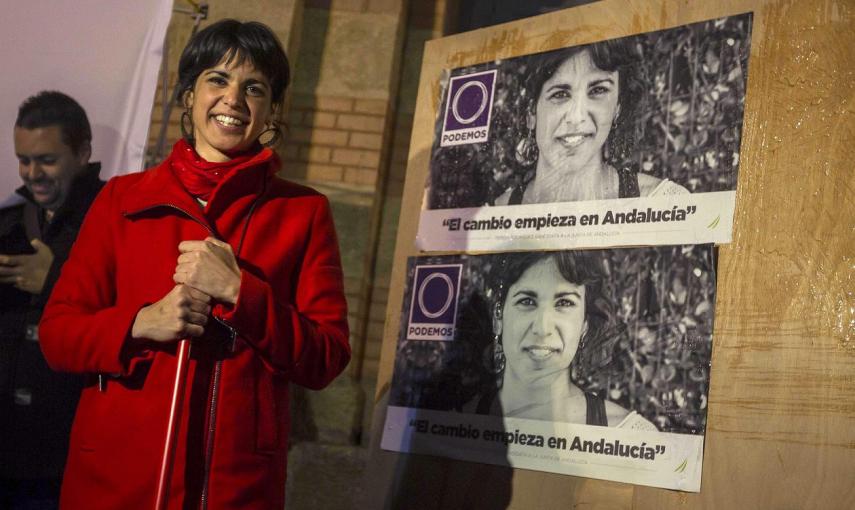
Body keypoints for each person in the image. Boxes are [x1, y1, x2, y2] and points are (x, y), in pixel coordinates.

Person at [39, 20, 350, 510]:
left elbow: (326, 357)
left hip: (234, 489)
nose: (233, 99)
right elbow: (57, 336)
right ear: (188, 95)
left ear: (272, 109)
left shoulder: (303, 213)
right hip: (114, 483)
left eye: (254, 87)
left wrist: (240, 292)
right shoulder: (121, 199)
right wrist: (139, 323)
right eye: (217, 80)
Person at [0, 91, 104, 508]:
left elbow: (134, 312)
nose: (32, 173)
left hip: (63, 458)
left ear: (83, 153)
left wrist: (54, 281)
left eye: (46, 159)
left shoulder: (114, 218)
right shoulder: (8, 217)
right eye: (24, 160)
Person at [473, 251, 655, 429]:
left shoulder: (629, 433)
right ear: (498, 319)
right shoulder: (457, 418)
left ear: (585, 324)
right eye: (527, 301)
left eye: (564, 303)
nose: (543, 328)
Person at [495, 39, 688, 205]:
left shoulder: (660, 202)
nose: (577, 117)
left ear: (617, 107)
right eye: (560, 94)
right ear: (531, 112)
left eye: (598, 91)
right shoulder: (499, 212)